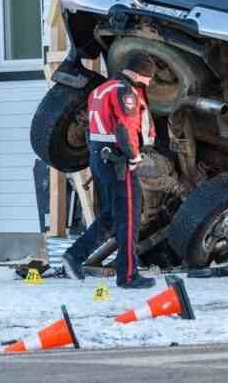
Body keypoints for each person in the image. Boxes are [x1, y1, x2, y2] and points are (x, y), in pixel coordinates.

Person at [61, 54, 158, 289]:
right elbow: (124, 127)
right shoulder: (126, 92)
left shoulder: (101, 90)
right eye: (147, 78)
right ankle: (128, 276)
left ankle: (74, 256)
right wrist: (134, 156)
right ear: (135, 74)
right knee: (129, 217)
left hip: (100, 156)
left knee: (112, 215)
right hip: (118, 160)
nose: (148, 83)